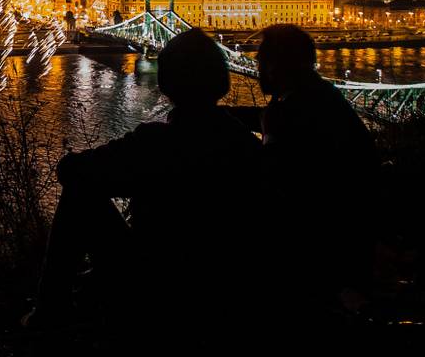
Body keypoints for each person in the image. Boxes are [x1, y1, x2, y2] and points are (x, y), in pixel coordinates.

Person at [25, 27, 264, 333]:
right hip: (229, 291)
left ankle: (50, 312)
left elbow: (70, 170)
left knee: (80, 193)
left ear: (166, 84)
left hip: (155, 283)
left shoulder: (156, 144)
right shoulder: (247, 145)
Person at [253, 24, 379, 322]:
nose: (256, 66)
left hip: (317, 269)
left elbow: (278, 187)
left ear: (275, 67)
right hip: (349, 255)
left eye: (260, 60)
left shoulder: (293, 114)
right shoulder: (324, 100)